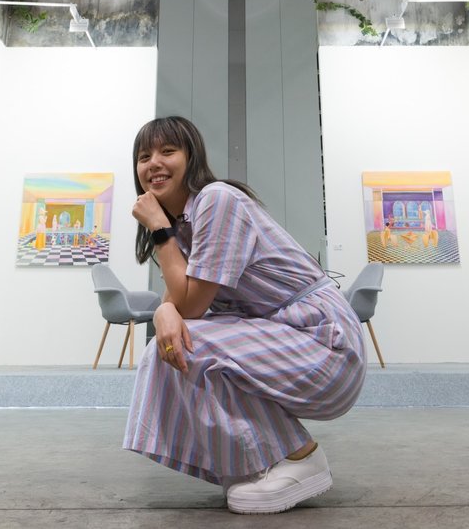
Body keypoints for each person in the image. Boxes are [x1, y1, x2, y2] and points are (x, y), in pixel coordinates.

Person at [123, 116, 367, 515]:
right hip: (283, 339)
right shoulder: (185, 225)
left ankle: (300, 455)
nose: (154, 163)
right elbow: (176, 303)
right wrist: (164, 310)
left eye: (168, 151)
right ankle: (263, 460)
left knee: (189, 341)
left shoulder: (217, 200)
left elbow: (191, 308)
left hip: (325, 342)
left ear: (192, 156)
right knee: (167, 348)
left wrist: (159, 233)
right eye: (144, 156)